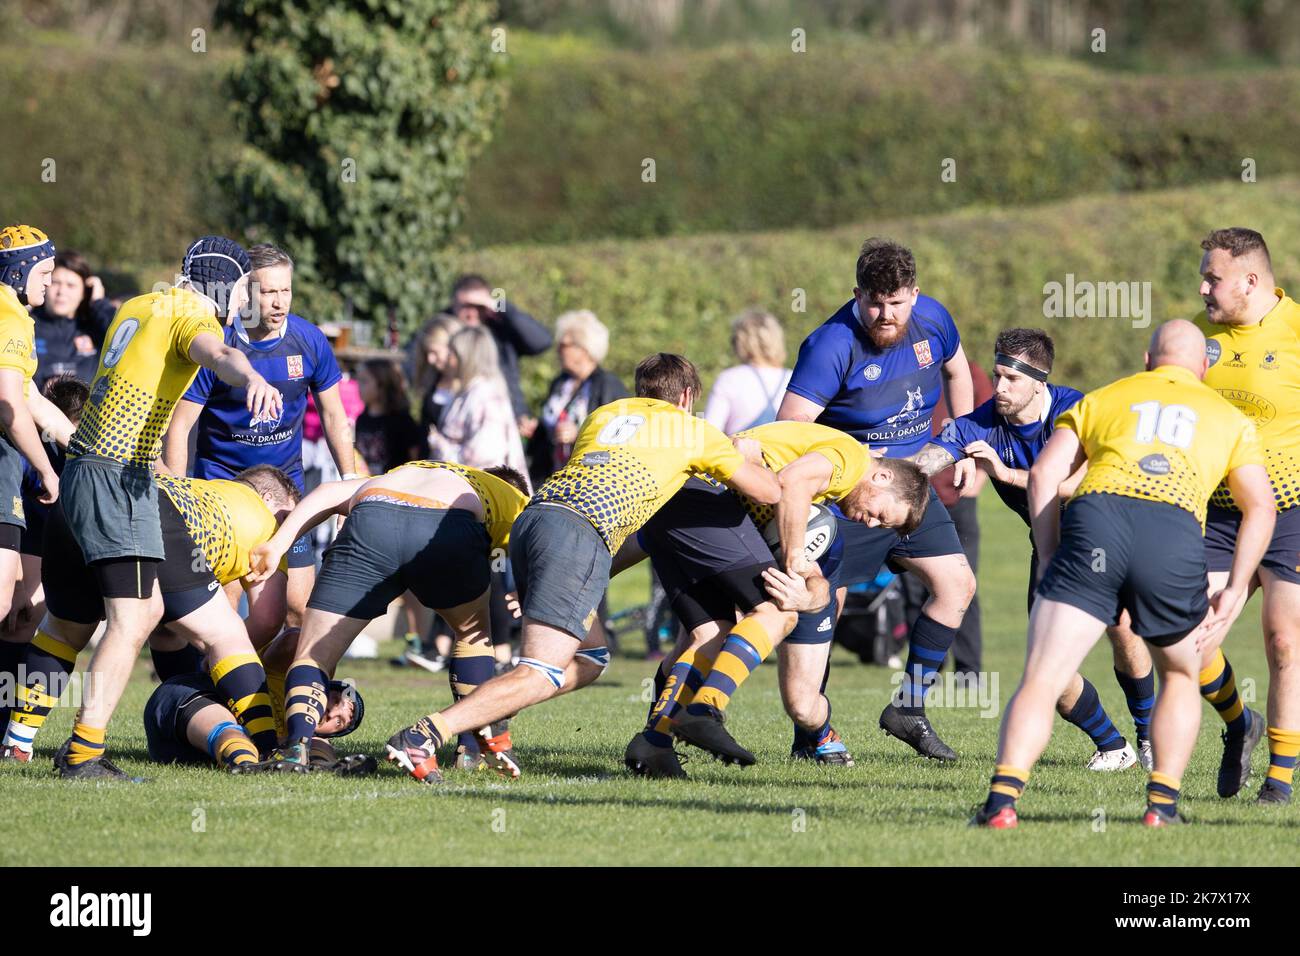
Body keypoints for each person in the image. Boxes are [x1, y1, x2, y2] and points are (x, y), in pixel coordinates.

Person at [381, 354, 782, 783]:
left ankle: (490, 717)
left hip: (536, 515)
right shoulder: (692, 429)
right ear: (686, 396)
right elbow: (767, 492)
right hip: (579, 531)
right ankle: (424, 734)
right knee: (539, 672)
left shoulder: (604, 415)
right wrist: (750, 453)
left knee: (592, 657)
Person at [972, 320, 1273, 829]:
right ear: (1204, 368)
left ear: (1148, 359)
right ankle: (1160, 807)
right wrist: (1237, 587)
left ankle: (1002, 803)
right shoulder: (1228, 418)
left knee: (1042, 678)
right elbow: (1261, 507)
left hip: (1097, 523)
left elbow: (1046, 474)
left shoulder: (1105, 397)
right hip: (1172, 533)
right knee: (1179, 673)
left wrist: (1047, 553)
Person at [47, 235, 282, 779]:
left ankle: (48, 742)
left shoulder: (137, 304)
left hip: (110, 473)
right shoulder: (192, 316)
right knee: (130, 620)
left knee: (143, 612)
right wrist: (251, 377)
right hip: (114, 476)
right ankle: (82, 754)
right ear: (230, 285)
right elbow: (217, 354)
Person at [908, 329, 1156, 772]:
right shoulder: (980, 424)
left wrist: (1005, 474)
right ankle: (1114, 746)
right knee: (1048, 671)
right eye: (997, 375)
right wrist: (879, 476)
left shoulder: (1077, 411)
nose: (999, 388)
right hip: (1047, 549)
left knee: (1122, 632)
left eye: (1011, 379)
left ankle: (1148, 731)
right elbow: (924, 465)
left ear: (1039, 380)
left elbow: (1087, 481)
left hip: (1106, 537)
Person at [625, 420, 930, 777]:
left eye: (882, 526)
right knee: (776, 611)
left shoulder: (827, 488)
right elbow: (793, 482)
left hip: (677, 496)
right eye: (881, 515)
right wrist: (793, 559)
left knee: (709, 634)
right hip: (705, 499)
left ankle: (655, 743)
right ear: (882, 479)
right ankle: (704, 709)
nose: (872, 525)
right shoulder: (849, 461)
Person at [777, 237, 976, 761]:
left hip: (909, 488)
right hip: (850, 496)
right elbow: (791, 425)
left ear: (915, 294)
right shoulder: (831, 344)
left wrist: (965, 446)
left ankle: (909, 708)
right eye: (873, 302)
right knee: (827, 606)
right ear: (857, 294)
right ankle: (812, 734)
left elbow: (957, 371)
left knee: (957, 585)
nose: (884, 314)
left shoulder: (934, 320)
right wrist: (844, 465)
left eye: (895, 302)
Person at [241, 461, 532, 779]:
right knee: (473, 636)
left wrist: (278, 544)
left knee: (314, 654)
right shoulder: (513, 498)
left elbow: (326, 493)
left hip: (374, 513)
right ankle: (469, 750)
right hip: (448, 526)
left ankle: (296, 747)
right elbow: (536, 546)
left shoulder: (412, 471)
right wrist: (527, 593)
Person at [1, 465, 300, 764]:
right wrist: (227, 667)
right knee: (227, 636)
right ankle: (267, 748)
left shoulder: (205, 488)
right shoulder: (270, 524)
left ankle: (16, 743)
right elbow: (267, 618)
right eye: (288, 517)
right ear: (268, 497)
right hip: (150, 517)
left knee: (62, 634)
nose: (291, 531)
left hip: (72, 503)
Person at [162, 243, 357, 630]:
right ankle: (215, 686)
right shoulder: (218, 345)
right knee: (224, 613)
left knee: (297, 612)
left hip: (286, 498)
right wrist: (178, 494)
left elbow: (335, 417)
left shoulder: (310, 340)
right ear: (245, 293)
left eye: (286, 291)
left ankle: (264, 686)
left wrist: (348, 483)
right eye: (268, 292)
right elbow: (179, 425)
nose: (279, 301)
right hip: (221, 491)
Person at [1197, 227, 1300, 804]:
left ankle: (1280, 780)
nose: (1204, 287)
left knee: (1285, 642)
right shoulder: (1199, 338)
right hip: (1217, 512)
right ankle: (1240, 723)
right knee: (1189, 634)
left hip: (1291, 508)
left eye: (1213, 277)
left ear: (1251, 280)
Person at [0, 226, 77, 732]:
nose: (49, 285)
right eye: (43, 273)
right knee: (4, 598)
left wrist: (78, 442)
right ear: (17, 270)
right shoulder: (8, 312)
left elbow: (27, 395)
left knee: (14, 603)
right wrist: (47, 468)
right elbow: (8, 405)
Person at [144, 672, 366, 773]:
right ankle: (247, 766)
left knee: (310, 744)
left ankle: (325, 769)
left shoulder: (316, 737)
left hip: (183, 754)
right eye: (336, 700)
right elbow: (292, 637)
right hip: (184, 700)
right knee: (229, 727)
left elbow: (318, 740)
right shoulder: (282, 676)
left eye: (340, 723)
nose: (332, 713)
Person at [528, 310, 629, 489]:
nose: (558, 349)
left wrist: (580, 434)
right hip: (551, 478)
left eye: (564, 344)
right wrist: (536, 430)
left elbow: (621, 435)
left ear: (584, 349)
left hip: (589, 481)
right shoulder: (560, 383)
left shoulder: (608, 384)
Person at [445, 274, 552, 437]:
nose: (471, 313)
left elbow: (541, 342)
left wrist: (500, 306)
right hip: (458, 424)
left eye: (477, 306)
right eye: (464, 306)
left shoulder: (501, 328)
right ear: (453, 305)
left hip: (506, 422)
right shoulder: (444, 330)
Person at [427, 325, 529, 479]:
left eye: (453, 353)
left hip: (483, 491)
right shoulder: (467, 391)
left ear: (467, 356)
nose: (448, 358)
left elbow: (482, 457)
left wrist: (440, 445)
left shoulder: (486, 395)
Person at [30, 250, 116, 390]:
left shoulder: (96, 327)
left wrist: (99, 303)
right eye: (56, 283)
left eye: (71, 285)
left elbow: (125, 339)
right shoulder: (27, 326)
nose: (61, 292)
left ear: (84, 292)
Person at [703, 308, 792, 434]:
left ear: (741, 342)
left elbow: (710, 434)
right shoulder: (794, 378)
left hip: (741, 453)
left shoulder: (729, 379)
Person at [354, 359, 424, 476]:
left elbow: (416, 461)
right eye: (359, 381)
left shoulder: (402, 421)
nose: (359, 387)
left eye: (364, 381)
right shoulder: (362, 420)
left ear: (382, 384)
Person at [415, 314, 462, 436]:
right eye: (427, 353)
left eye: (435, 352)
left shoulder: (472, 385)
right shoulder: (431, 382)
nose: (430, 359)